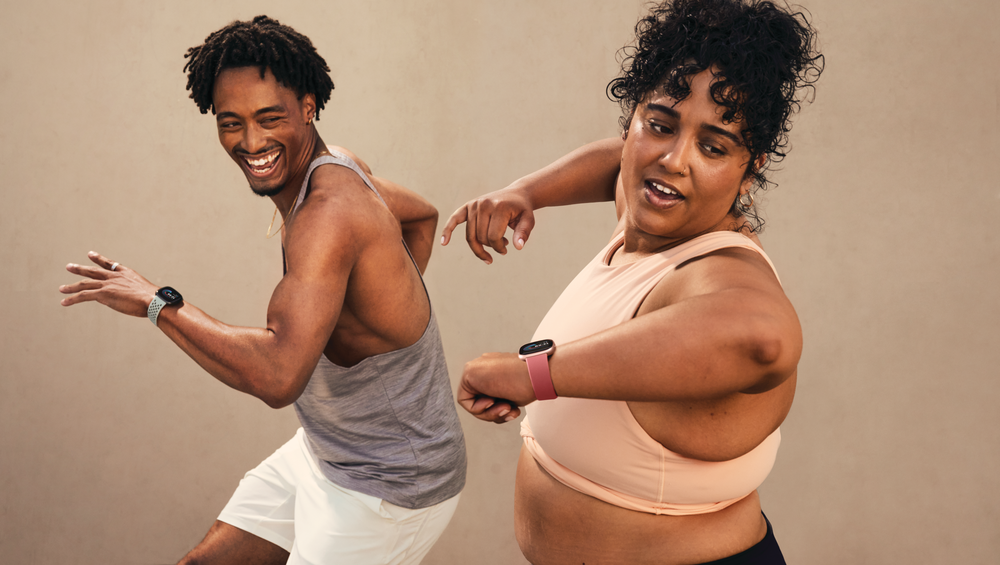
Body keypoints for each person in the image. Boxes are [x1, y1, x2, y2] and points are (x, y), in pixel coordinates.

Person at [59, 16, 465, 565]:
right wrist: (374, 311)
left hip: (388, 487)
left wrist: (157, 304)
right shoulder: (338, 168)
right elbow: (422, 218)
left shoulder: (329, 214)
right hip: (325, 453)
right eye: (232, 123)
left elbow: (278, 376)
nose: (251, 142)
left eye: (269, 118)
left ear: (308, 106)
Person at [441, 0, 822, 563]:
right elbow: (617, 164)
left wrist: (535, 374)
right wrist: (528, 191)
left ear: (750, 170)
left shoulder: (718, 271)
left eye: (713, 147)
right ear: (633, 121)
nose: (673, 160)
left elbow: (764, 338)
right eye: (660, 125)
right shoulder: (650, 211)